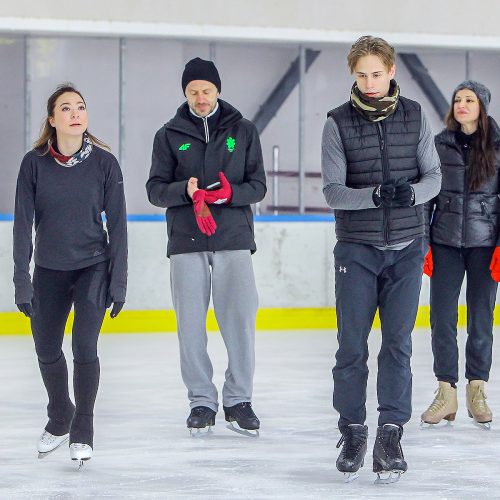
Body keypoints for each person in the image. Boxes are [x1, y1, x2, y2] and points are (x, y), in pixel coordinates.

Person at [321, 36, 441, 483]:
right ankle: (352, 430)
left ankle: (390, 435)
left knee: (398, 346)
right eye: (361, 75)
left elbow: (433, 177)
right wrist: (372, 196)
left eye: (376, 73)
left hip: (408, 248)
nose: (369, 83)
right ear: (353, 75)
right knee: (351, 346)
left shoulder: (415, 116)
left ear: (391, 72)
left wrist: (413, 193)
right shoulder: (337, 123)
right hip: (357, 248)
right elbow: (333, 191)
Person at [146, 58, 266, 436]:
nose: (200, 97)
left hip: (232, 237)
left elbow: (258, 185)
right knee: (191, 326)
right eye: (193, 91)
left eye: (207, 90)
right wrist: (185, 190)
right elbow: (154, 190)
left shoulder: (243, 130)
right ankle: (201, 400)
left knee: (240, 322)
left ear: (218, 90)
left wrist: (233, 195)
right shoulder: (168, 135)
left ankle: (238, 400)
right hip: (187, 239)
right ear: (185, 93)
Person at [13, 83, 127, 465]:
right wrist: (21, 280)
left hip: (94, 266)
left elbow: (120, 228)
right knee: (46, 348)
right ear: (52, 119)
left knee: (83, 347)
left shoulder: (105, 164)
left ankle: (83, 428)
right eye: (66, 108)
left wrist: (119, 280)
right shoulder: (34, 164)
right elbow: (22, 225)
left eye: (81, 106)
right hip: (48, 269)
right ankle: (60, 415)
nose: (76, 113)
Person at [421, 81, 499, 429]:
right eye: (457, 99)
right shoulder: (439, 145)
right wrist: (423, 243)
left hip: (486, 244)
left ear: (482, 106)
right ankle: (446, 391)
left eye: (469, 100)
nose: (462, 104)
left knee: (481, 320)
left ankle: (477, 389)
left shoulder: (497, 146)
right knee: (442, 318)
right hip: (445, 243)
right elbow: (426, 198)